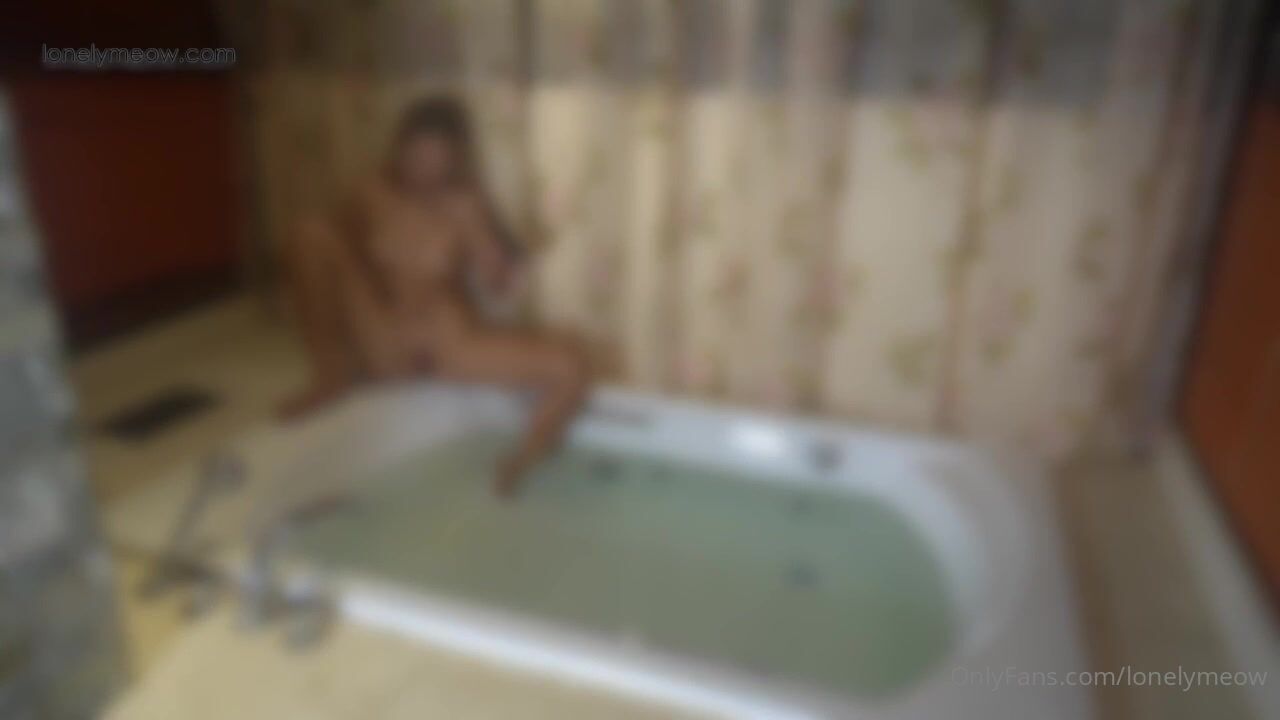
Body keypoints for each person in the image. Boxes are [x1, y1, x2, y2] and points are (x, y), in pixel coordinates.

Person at [278, 96, 590, 498]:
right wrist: (353, 330)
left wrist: (496, 252)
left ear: (454, 160)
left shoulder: (466, 204)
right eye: (415, 155)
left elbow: (498, 284)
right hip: (386, 337)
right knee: (309, 235)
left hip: (450, 343)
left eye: (435, 160)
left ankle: (521, 460)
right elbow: (341, 260)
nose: (422, 169)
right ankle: (329, 377)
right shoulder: (370, 193)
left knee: (571, 363)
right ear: (398, 148)